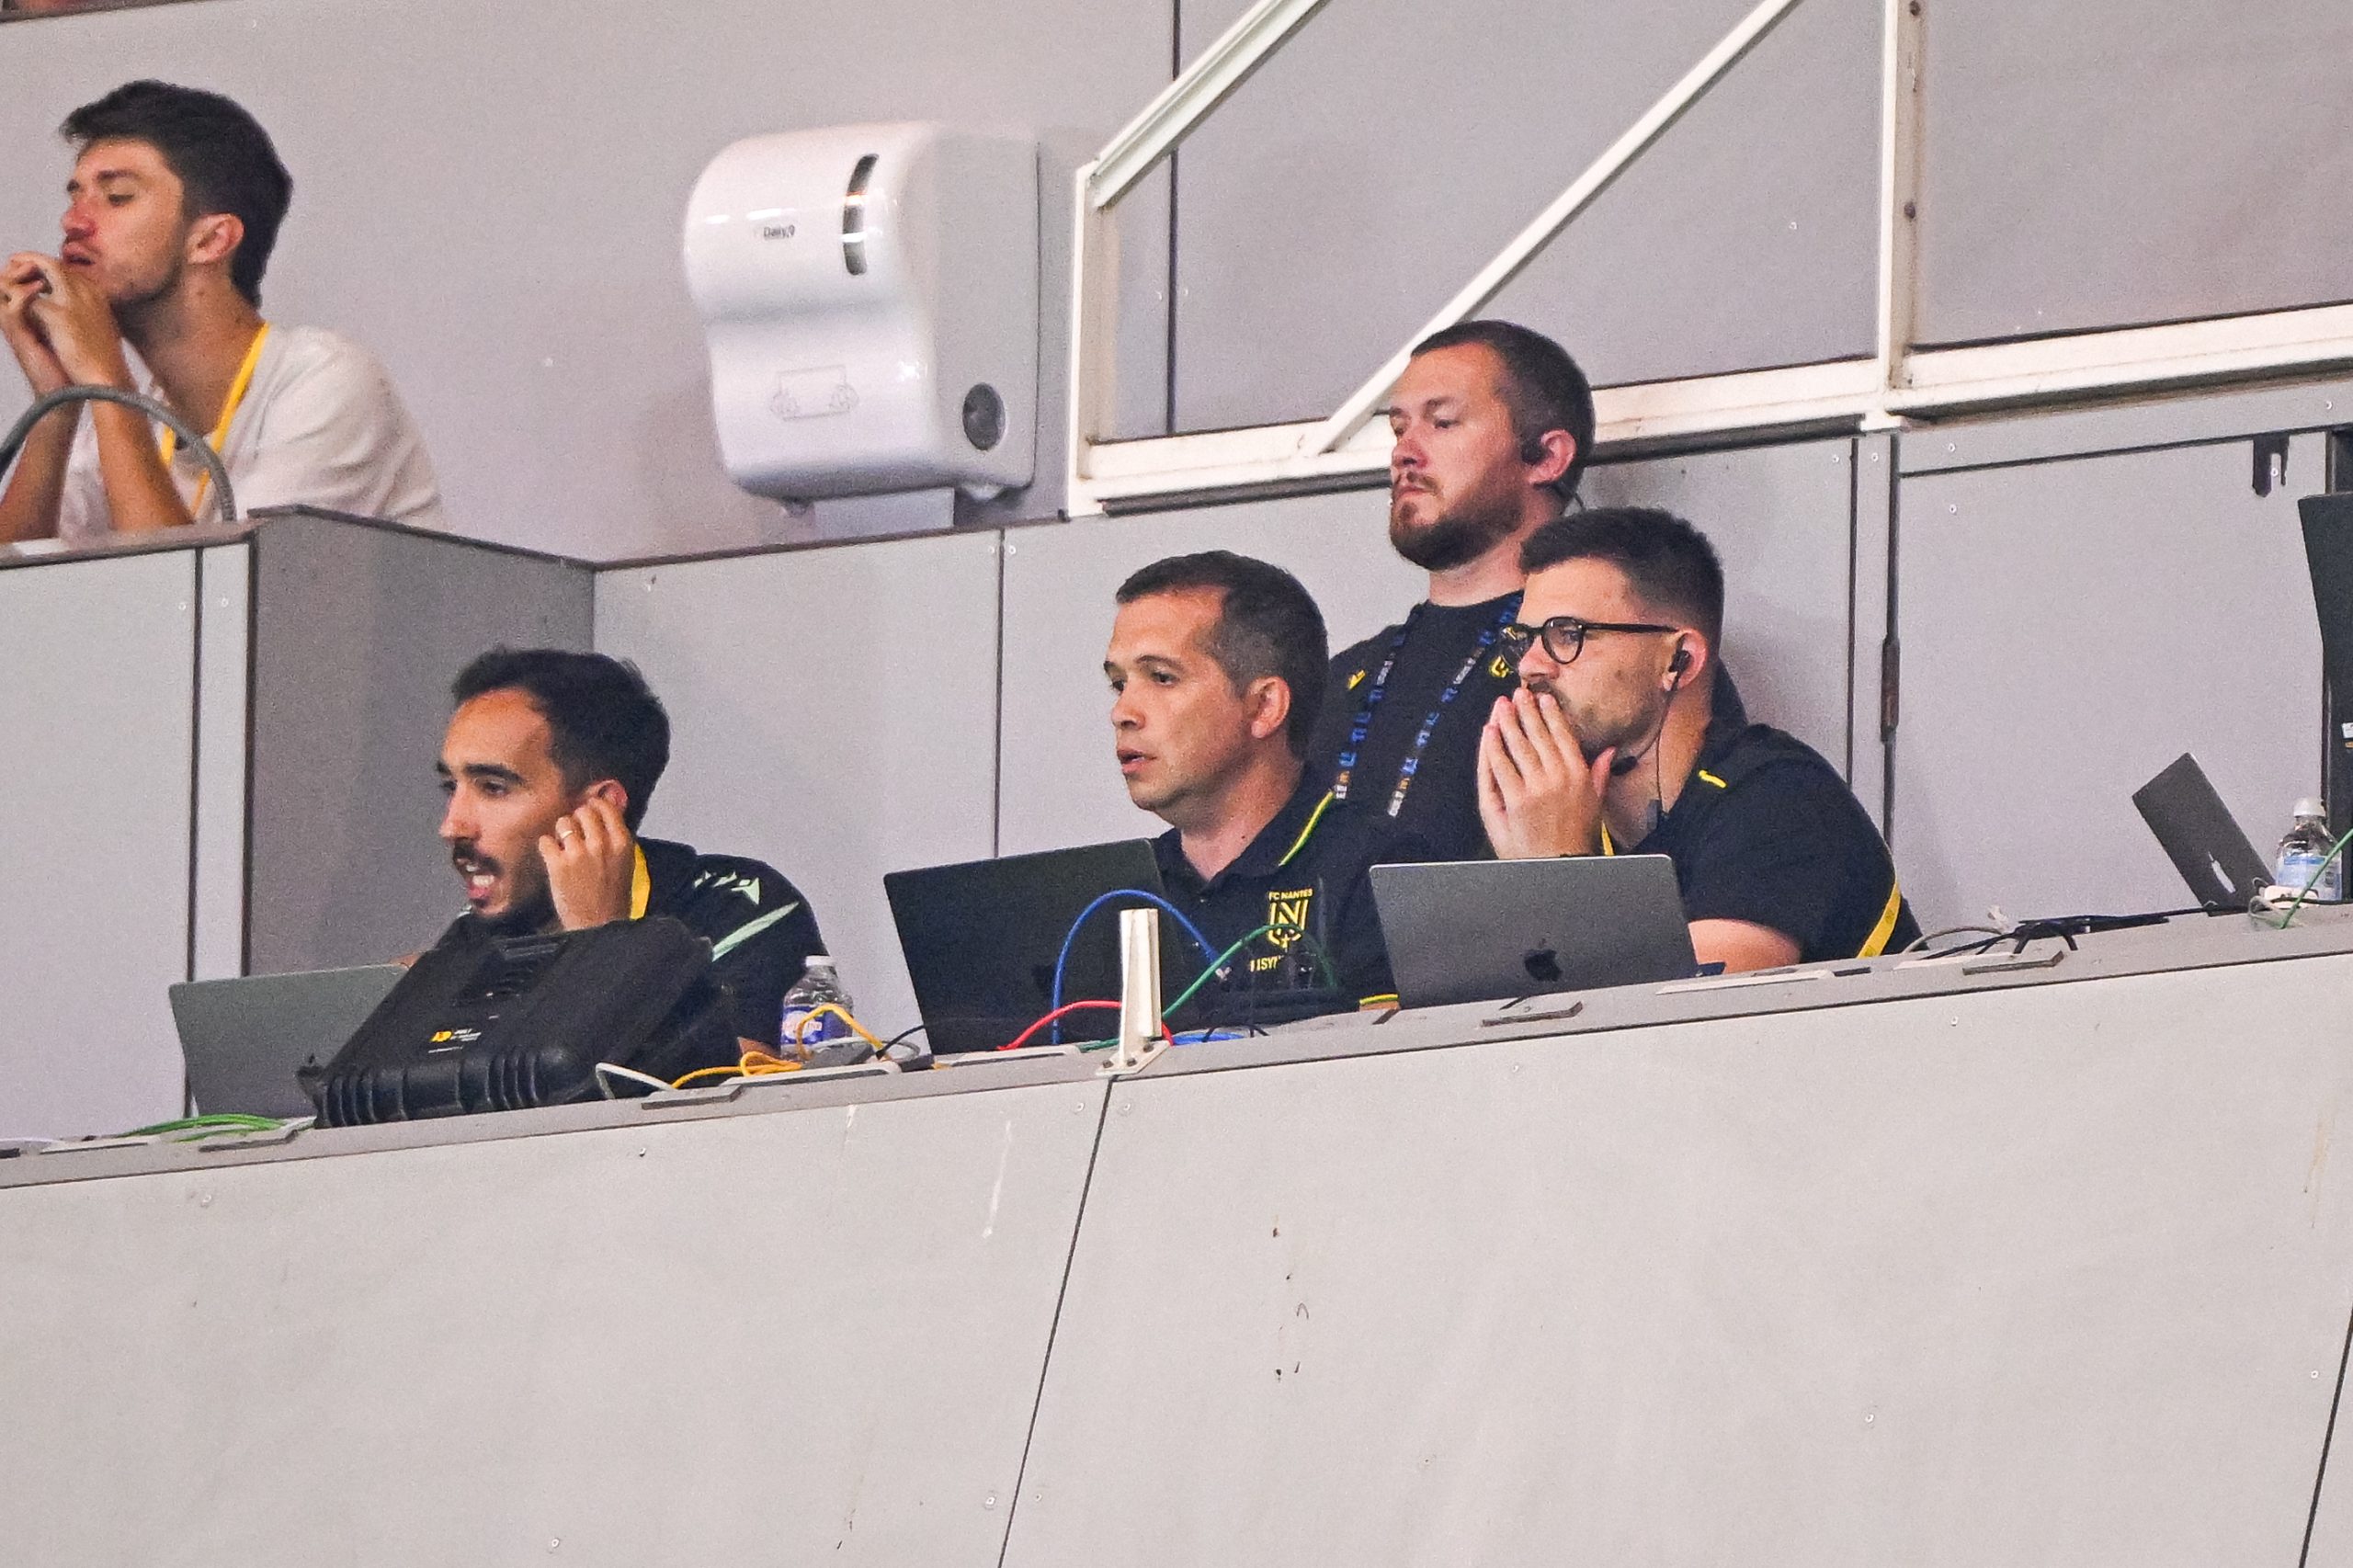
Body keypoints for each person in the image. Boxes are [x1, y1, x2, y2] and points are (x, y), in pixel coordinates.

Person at [0, 80, 443, 544]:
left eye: (117, 198)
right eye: (75, 196)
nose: (72, 222)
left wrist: (106, 378)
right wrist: (56, 403)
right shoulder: (123, 418)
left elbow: (201, 600)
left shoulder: (326, 382)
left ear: (211, 240)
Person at [1477, 506, 1917, 972]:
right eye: (1524, 638)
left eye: (1567, 634)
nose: (1529, 665)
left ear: (1680, 661)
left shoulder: (1778, 797)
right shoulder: (1549, 814)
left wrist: (1559, 874)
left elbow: (1692, 1022)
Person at [432, 648, 825, 1051]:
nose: (451, 826)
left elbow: (727, 1098)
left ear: (597, 809)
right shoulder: (470, 943)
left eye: (493, 789)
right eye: (451, 787)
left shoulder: (736, 906)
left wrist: (600, 941)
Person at [1308, 320, 1597, 862]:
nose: (1405, 454)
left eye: (1442, 423)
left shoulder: (1606, 660)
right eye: (1398, 430)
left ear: (1545, 458)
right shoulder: (1342, 680)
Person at [1107, 551, 1428, 1015]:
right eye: (1119, 684)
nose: (1123, 712)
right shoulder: (1118, 894)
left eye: (1161, 677)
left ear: (1263, 707)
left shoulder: (1379, 871)